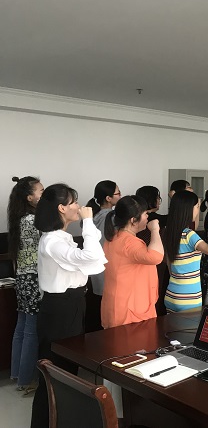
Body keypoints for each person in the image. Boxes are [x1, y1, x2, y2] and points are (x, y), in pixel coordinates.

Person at [31, 183, 107, 428]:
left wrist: (88, 225)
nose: (79, 206)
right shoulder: (52, 241)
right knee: (54, 373)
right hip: (59, 310)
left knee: (67, 371)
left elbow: (94, 260)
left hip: (72, 304)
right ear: (61, 208)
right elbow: (91, 256)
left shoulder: (62, 238)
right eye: (74, 202)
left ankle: (62, 420)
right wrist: (88, 222)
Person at [101, 196, 164, 329]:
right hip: (130, 311)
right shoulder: (129, 242)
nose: (148, 217)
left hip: (118, 306)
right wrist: (155, 230)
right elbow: (156, 256)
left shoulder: (114, 237)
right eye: (145, 214)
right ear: (133, 220)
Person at [8, 176, 44, 395]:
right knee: (31, 330)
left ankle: (18, 374)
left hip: (23, 278)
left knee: (21, 327)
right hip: (33, 278)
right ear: (30, 197)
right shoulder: (33, 220)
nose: (44, 194)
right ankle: (27, 379)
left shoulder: (20, 218)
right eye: (41, 191)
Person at [163, 191, 208, 312]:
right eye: (197, 206)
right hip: (188, 298)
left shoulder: (168, 233)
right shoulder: (189, 235)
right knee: (190, 325)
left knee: (172, 325)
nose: (198, 210)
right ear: (188, 209)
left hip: (171, 294)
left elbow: (169, 264)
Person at [85, 180, 121, 331]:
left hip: (96, 266)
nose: (120, 196)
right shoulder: (111, 217)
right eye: (118, 193)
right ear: (108, 198)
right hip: (107, 264)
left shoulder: (94, 215)